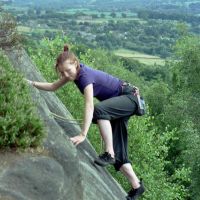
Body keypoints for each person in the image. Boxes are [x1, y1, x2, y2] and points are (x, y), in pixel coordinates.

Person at [26, 45, 145, 200]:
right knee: (120, 154)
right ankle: (137, 186)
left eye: (68, 71)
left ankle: (109, 153)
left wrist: (83, 134)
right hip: (120, 104)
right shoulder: (73, 74)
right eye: (62, 72)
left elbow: (89, 105)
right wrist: (31, 83)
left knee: (100, 111)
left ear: (76, 63)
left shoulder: (85, 77)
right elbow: (53, 86)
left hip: (130, 98)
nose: (66, 75)